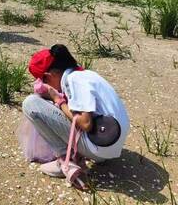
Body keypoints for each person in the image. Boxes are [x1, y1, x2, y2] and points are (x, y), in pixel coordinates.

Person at [21, 44, 130, 188]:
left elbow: (86, 123)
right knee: (55, 107)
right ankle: (79, 153)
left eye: (44, 81)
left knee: (31, 103)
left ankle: (66, 160)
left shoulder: (74, 80)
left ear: (49, 76)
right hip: (111, 142)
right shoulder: (86, 74)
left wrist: (58, 100)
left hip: (99, 148)